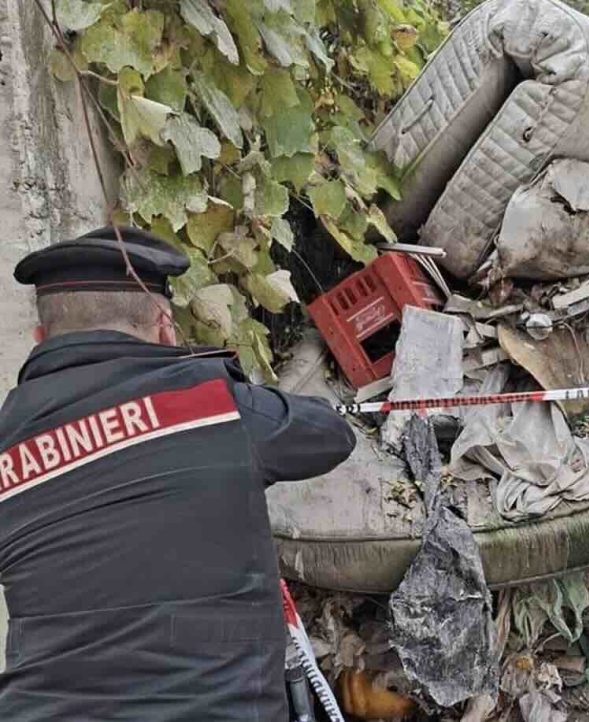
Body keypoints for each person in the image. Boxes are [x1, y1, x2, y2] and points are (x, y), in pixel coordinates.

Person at [0, 226, 356, 721]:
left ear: (41, 338)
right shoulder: (211, 407)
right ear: (164, 325)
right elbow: (330, 434)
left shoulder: (7, 447)